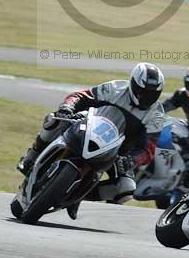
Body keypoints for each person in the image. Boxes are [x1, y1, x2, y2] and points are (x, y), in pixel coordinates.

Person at [17, 62, 166, 219]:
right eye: (143, 92)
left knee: (126, 189)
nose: (146, 97)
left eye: (152, 94)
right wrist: (67, 108)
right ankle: (32, 157)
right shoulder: (115, 88)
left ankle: (80, 196)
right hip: (90, 124)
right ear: (133, 84)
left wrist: (132, 160)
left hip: (118, 151)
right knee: (53, 120)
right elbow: (80, 96)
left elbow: (148, 149)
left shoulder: (156, 114)